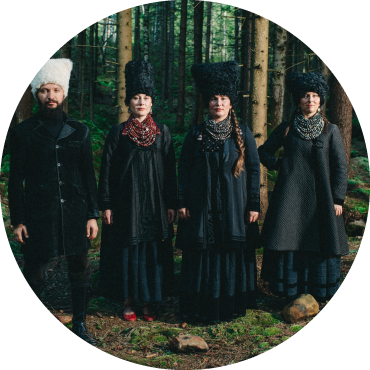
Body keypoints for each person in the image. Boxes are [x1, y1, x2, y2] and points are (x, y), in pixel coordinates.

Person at [8, 59, 100, 345]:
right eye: (44, 90)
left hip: (75, 212)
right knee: (34, 272)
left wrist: (92, 214)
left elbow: (88, 177)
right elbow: (15, 180)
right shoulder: (23, 133)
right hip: (38, 214)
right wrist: (18, 220)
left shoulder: (80, 131)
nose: (51, 96)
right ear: (37, 94)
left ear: (64, 93)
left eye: (56, 90)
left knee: (80, 270)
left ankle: (81, 324)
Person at [176, 60, 261, 324]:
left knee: (230, 253)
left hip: (235, 209)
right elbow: (184, 169)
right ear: (207, 103)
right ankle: (201, 305)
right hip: (202, 210)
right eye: (214, 99)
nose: (219, 103)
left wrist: (254, 205)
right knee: (204, 255)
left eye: (224, 98)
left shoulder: (243, 134)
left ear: (231, 102)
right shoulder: (196, 134)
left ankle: (231, 305)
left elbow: (255, 170)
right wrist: (182, 201)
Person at [258, 72, 349, 304]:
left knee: (320, 240)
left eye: (315, 95)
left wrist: (338, 199)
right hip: (290, 197)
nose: (310, 99)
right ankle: (289, 291)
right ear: (298, 100)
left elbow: (340, 167)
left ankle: (318, 291)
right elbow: (264, 152)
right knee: (290, 240)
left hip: (322, 199)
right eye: (306, 95)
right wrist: (281, 165)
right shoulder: (287, 128)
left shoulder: (331, 131)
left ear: (321, 100)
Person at [97, 60, 177, 322]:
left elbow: (170, 172)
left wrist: (172, 204)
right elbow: (106, 170)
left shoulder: (163, 133)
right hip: (126, 205)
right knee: (128, 250)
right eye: (135, 97)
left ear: (152, 103)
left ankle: (149, 301)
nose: (141, 102)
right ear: (128, 103)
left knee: (152, 250)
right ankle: (128, 299)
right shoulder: (117, 132)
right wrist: (106, 204)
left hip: (155, 204)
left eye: (145, 98)